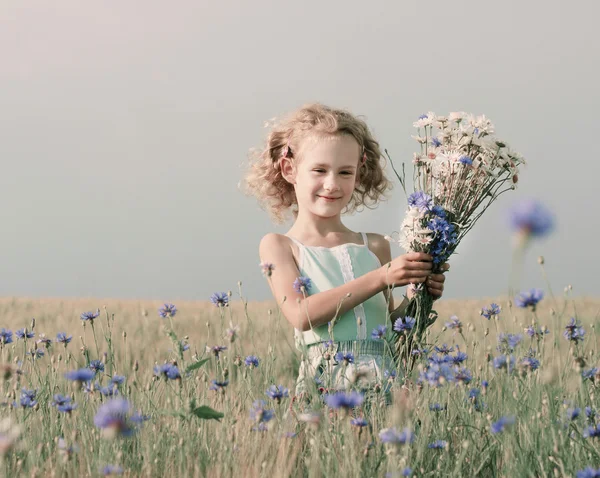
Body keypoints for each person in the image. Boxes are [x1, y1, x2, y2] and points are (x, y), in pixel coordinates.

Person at [243, 103, 449, 397]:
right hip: (325, 383)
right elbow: (301, 315)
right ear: (290, 169)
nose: (332, 184)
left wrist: (418, 293)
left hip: (385, 382)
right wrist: (381, 277)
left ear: (359, 173)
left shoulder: (375, 245)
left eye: (344, 172)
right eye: (319, 170)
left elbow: (389, 332)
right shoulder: (280, 245)